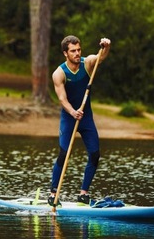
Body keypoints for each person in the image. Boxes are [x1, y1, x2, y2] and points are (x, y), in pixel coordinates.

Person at [48, 35, 111, 206]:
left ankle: (83, 193)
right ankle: (53, 193)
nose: (77, 53)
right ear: (65, 54)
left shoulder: (88, 63)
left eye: (78, 50)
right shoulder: (59, 73)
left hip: (86, 119)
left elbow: (100, 57)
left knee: (95, 155)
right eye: (73, 51)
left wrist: (106, 46)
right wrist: (72, 112)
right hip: (69, 118)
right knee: (63, 155)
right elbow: (62, 98)